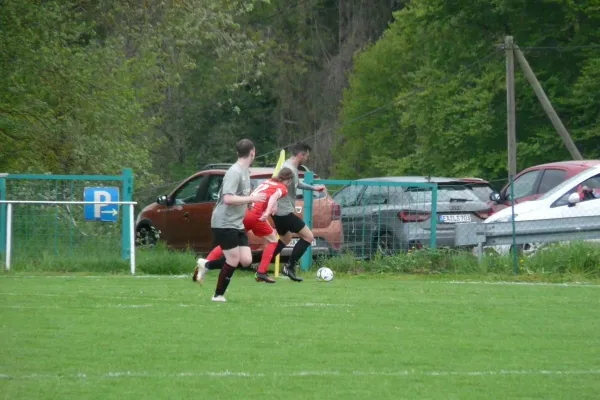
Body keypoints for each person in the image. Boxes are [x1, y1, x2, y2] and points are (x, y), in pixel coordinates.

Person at [194, 168, 294, 284]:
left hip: (246, 212)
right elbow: (273, 197)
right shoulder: (283, 188)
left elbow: (269, 195)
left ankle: (204, 265)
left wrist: (274, 206)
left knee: (229, 243)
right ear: (289, 180)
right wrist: (267, 212)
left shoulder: (268, 181)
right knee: (273, 240)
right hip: (256, 215)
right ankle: (261, 272)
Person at [204, 139, 266, 302]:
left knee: (246, 260)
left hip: (237, 222)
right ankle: (218, 295)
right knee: (233, 259)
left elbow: (242, 194)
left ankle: (206, 265)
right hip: (224, 222)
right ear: (253, 152)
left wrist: (249, 201)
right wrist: (251, 198)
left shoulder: (246, 171)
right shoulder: (234, 172)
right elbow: (228, 199)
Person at [269, 142, 325, 282]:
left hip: (282, 211)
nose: (307, 158)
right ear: (301, 154)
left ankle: (262, 268)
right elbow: (276, 186)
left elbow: (297, 184)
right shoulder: (287, 167)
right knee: (308, 237)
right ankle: (290, 267)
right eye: (307, 155)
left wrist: (314, 188)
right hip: (283, 211)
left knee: (285, 239)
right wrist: (274, 205)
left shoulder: (292, 168)